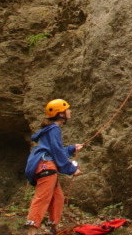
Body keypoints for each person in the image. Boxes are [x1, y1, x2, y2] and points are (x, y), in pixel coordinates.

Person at [24, 99, 83, 235]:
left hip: (44, 165)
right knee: (42, 197)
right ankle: (31, 230)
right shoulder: (54, 129)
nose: (70, 111)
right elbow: (56, 151)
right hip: (46, 166)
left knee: (58, 197)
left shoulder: (50, 129)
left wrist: (72, 148)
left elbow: (55, 149)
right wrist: (72, 169)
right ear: (61, 114)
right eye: (67, 109)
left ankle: (53, 228)